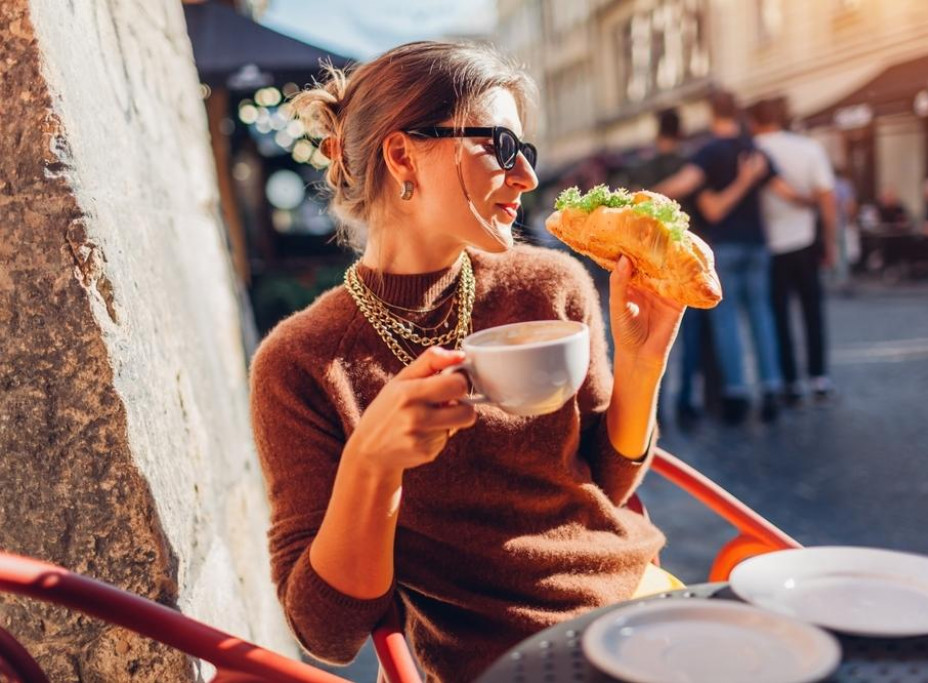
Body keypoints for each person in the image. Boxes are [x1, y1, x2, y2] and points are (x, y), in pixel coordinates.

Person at [248, 42, 684, 683]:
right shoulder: (303, 362)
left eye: (525, 151)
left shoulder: (551, 286)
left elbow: (604, 486)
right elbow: (328, 633)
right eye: (501, 147)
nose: (526, 177)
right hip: (501, 662)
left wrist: (643, 365)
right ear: (403, 156)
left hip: (638, 605)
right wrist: (373, 464)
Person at [654, 91, 807, 424]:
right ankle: (770, 388)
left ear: (712, 114)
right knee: (762, 316)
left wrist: (647, 195)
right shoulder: (754, 150)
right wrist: (814, 202)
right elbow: (785, 191)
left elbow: (684, 184)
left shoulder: (709, 152)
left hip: (725, 246)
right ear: (738, 114)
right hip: (758, 244)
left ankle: (736, 392)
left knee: (727, 321)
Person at [627, 109, 714, 428]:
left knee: (653, 338)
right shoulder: (690, 165)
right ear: (681, 132)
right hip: (684, 264)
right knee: (689, 337)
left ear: (657, 132)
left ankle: (655, 406)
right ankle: (687, 401)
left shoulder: (641, 168)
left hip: (649, 262)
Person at [749, 98, 838, 403]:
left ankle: (790, 382)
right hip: (806, 239)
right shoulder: (808, 148)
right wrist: (831, 242)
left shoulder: (750, 151)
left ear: (754, 122)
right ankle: (819, 377)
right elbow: (827, 200)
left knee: (778, 316)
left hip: (767, 244)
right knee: (812, 311)